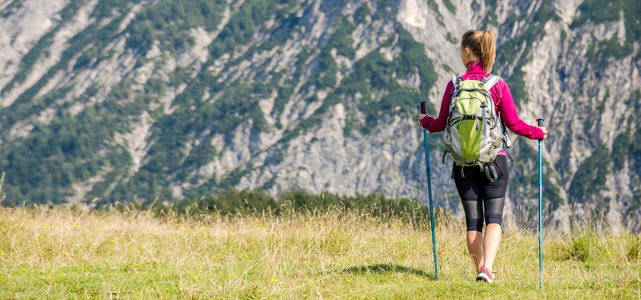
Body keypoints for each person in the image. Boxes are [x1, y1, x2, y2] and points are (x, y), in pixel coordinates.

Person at [418, 29, 547, 283]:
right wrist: (537, 133)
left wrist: (425, 121)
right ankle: (487, 268)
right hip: (494, 162)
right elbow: (513, 123)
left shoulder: (454, 85)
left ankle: (481, 269)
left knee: (473, 223)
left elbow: (441, 123)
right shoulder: (497, 85)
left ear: (467, 52)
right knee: (494, 219)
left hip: (462, 165)